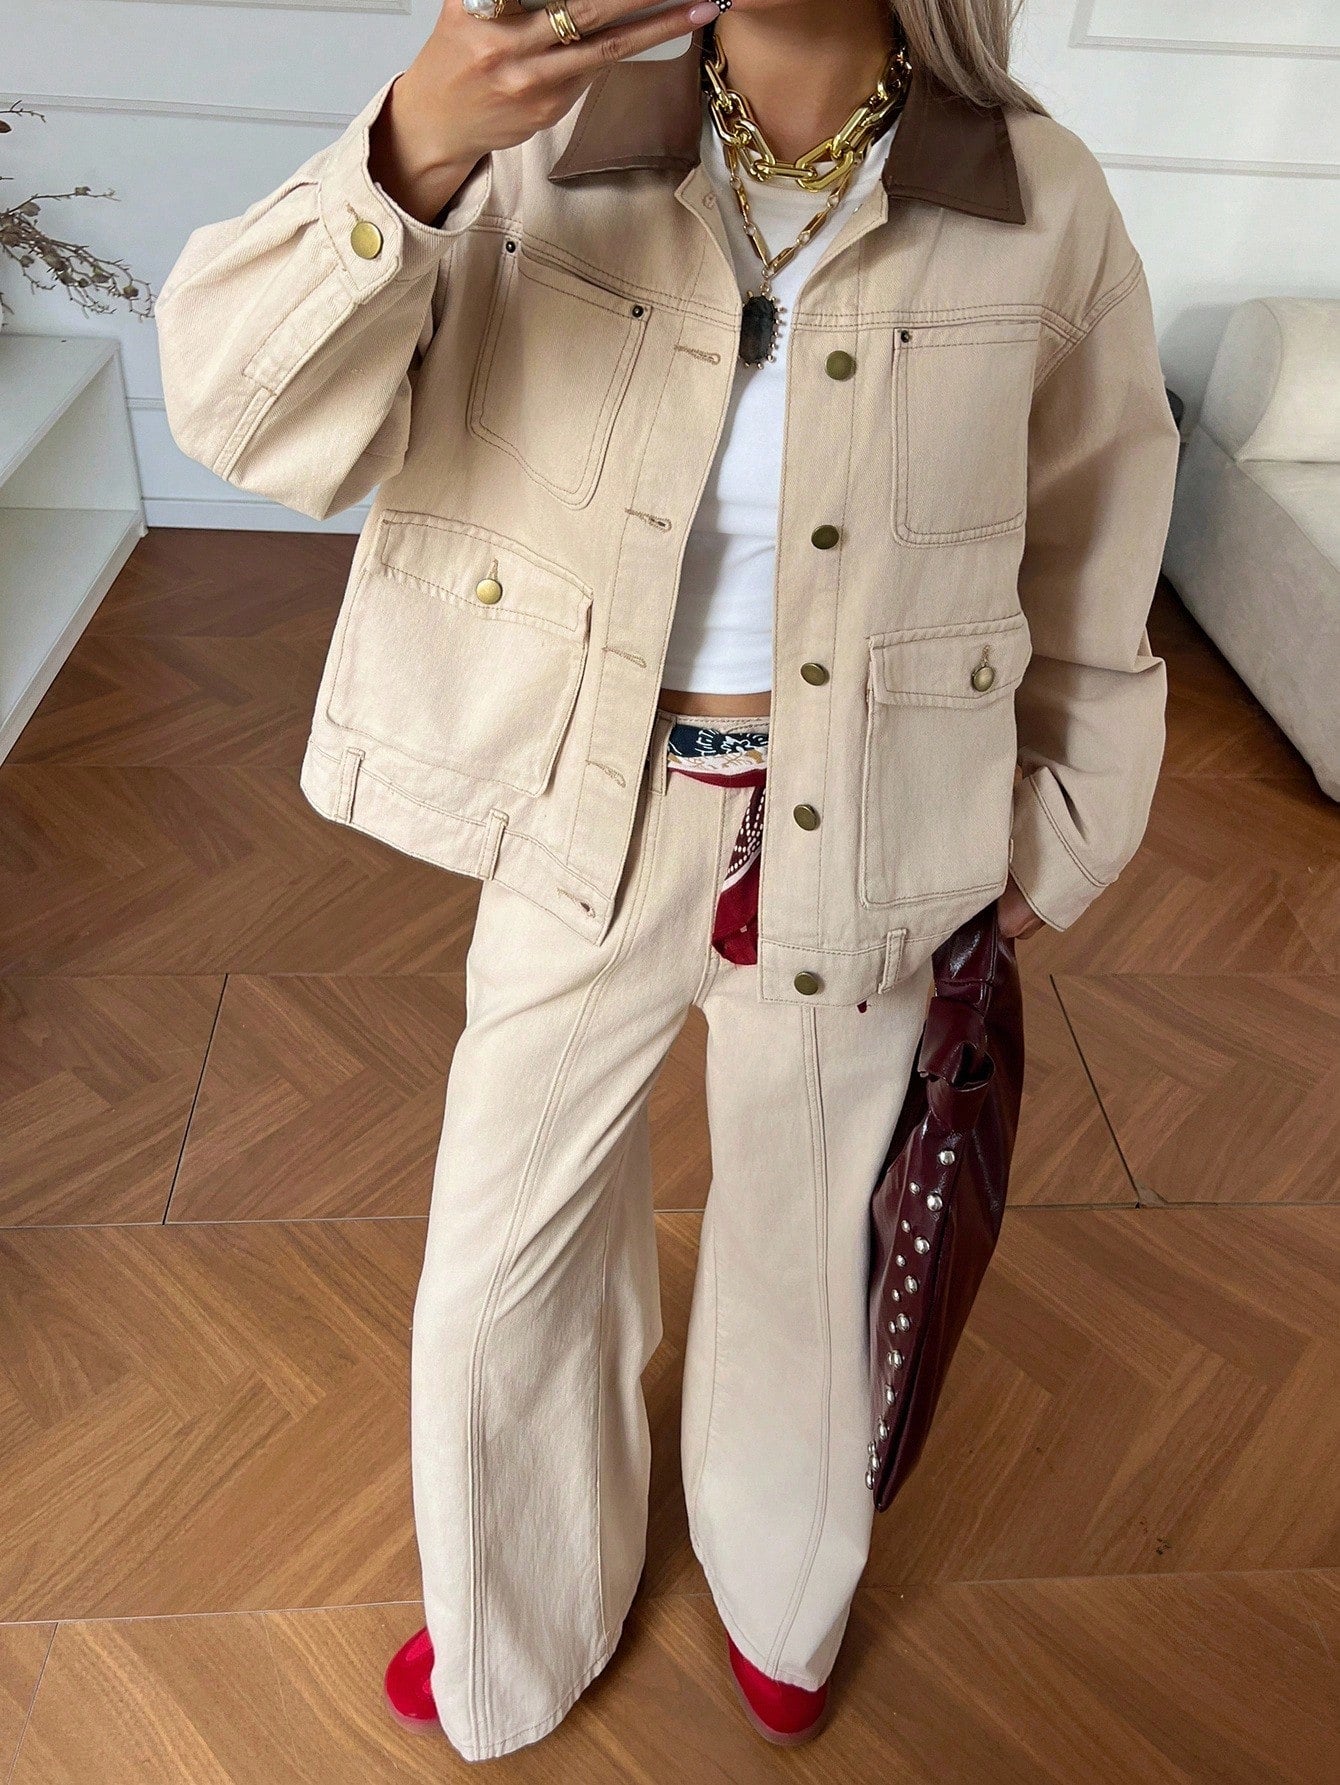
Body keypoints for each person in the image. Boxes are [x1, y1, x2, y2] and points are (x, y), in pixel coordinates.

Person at [155, 0, 1180, 1759]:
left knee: (808, 1250)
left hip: (868, 816)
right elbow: (244, 417)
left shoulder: (1039, 198)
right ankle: (519, 1598)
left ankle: (785, 1586)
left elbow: (1095, 529)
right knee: (501, 1259)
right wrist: (412, 145)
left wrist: (1060, 813)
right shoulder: (536, 139)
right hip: (591, 805)